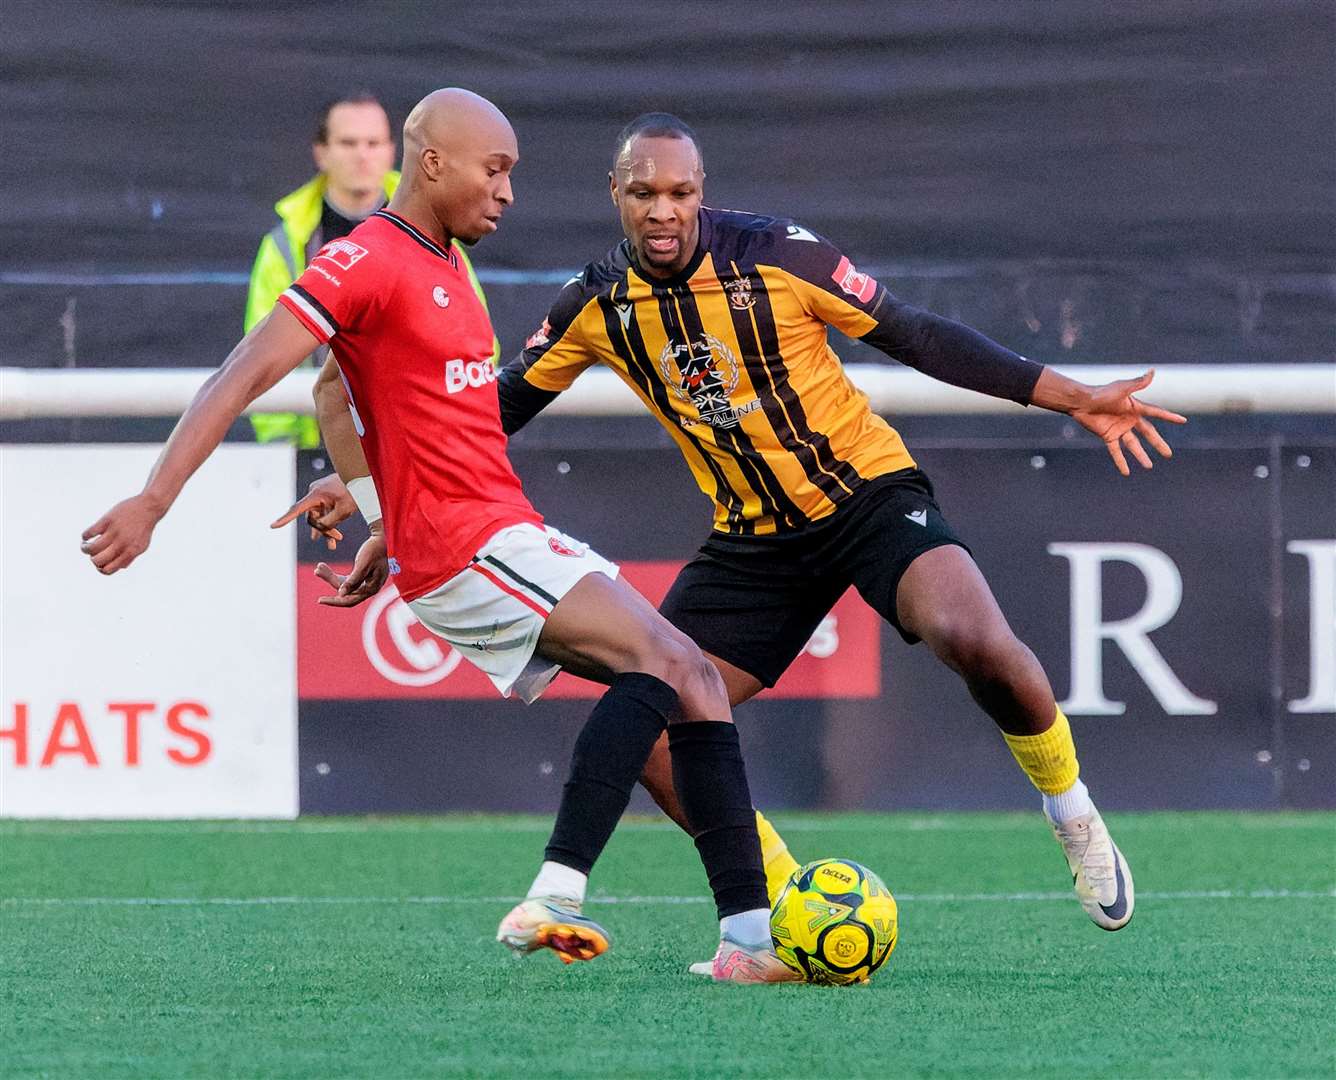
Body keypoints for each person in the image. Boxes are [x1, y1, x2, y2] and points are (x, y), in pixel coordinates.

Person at [292, 113, 1184, 947]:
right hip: (753, 542)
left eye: (681, 194)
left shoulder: (777, 253)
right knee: (649, 729)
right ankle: (789, 903)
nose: (664, 211)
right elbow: (491, 412)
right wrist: (374, 485)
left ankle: (1071, 811)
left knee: (968, 634)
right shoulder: (597, 303)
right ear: (618, 195)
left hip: (864, 495)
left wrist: (1071, 396)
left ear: (701, 192)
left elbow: (914, 333)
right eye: (645, 195)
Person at [79, 90, 795, 985]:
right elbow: (243, 374)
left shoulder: (446, 259)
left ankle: (743, 938)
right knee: (673, 666)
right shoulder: (365, 258)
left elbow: (335, 395)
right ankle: (623, 910)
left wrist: (382, 519)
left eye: (512, 175)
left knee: (676, 683)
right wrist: (154, 499)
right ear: (430, 164)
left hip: (486, 531)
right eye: (493, 171)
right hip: (471, 544)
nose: (506, 192)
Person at [243, 92, 497, 448]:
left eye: (373, 143)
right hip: (320, 449)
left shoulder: (437, 229)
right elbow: (261, 354)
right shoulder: (287, 245)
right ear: (322, 152)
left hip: (419, 445)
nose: (362, 155)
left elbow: (476, 342)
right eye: (348, 143)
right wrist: (286, 450)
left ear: (394, 151)